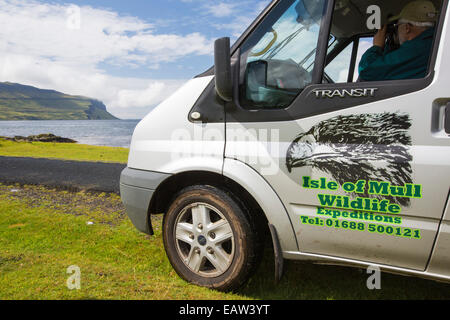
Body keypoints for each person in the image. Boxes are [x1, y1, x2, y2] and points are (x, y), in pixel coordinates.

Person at [358, 1, 438, 81]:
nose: (397, 30)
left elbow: (366, 72)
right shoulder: (435, 44)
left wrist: (376, 47)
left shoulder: (416, 48)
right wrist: (390, 44)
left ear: (407, 28)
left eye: (398, 26)